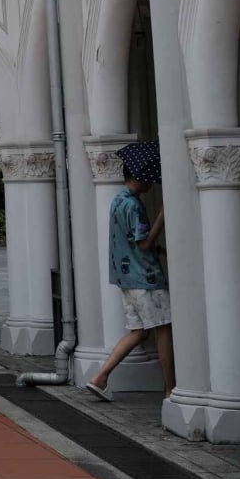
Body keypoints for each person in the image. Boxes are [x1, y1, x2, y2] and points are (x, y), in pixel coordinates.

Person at [85, 166, 172, 401]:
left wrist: (159, 249)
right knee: (163, 328)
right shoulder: (133, 205)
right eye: (150, 177)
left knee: (139, 332)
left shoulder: (117, 201)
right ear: (139, 176)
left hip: (126, 277)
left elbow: (129, 241)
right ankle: (170, 389)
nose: (153, 182)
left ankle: (100, 377)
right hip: (145, 277)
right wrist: (162, 218)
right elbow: (143, 243)